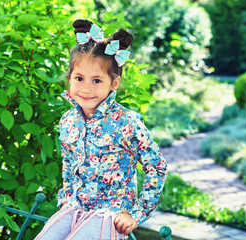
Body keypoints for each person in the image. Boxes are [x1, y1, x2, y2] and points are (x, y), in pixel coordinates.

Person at [35, 19, 168, 240]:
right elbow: (68, 165)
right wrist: (67, 200)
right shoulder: (68, 120)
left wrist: (137, 212)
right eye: (79, 78)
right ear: (70, 79)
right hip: (75, 207)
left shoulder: (126, 122)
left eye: (96, 80)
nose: (86, 88)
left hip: (110, 214)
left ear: (113, 83)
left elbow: (157, 166)